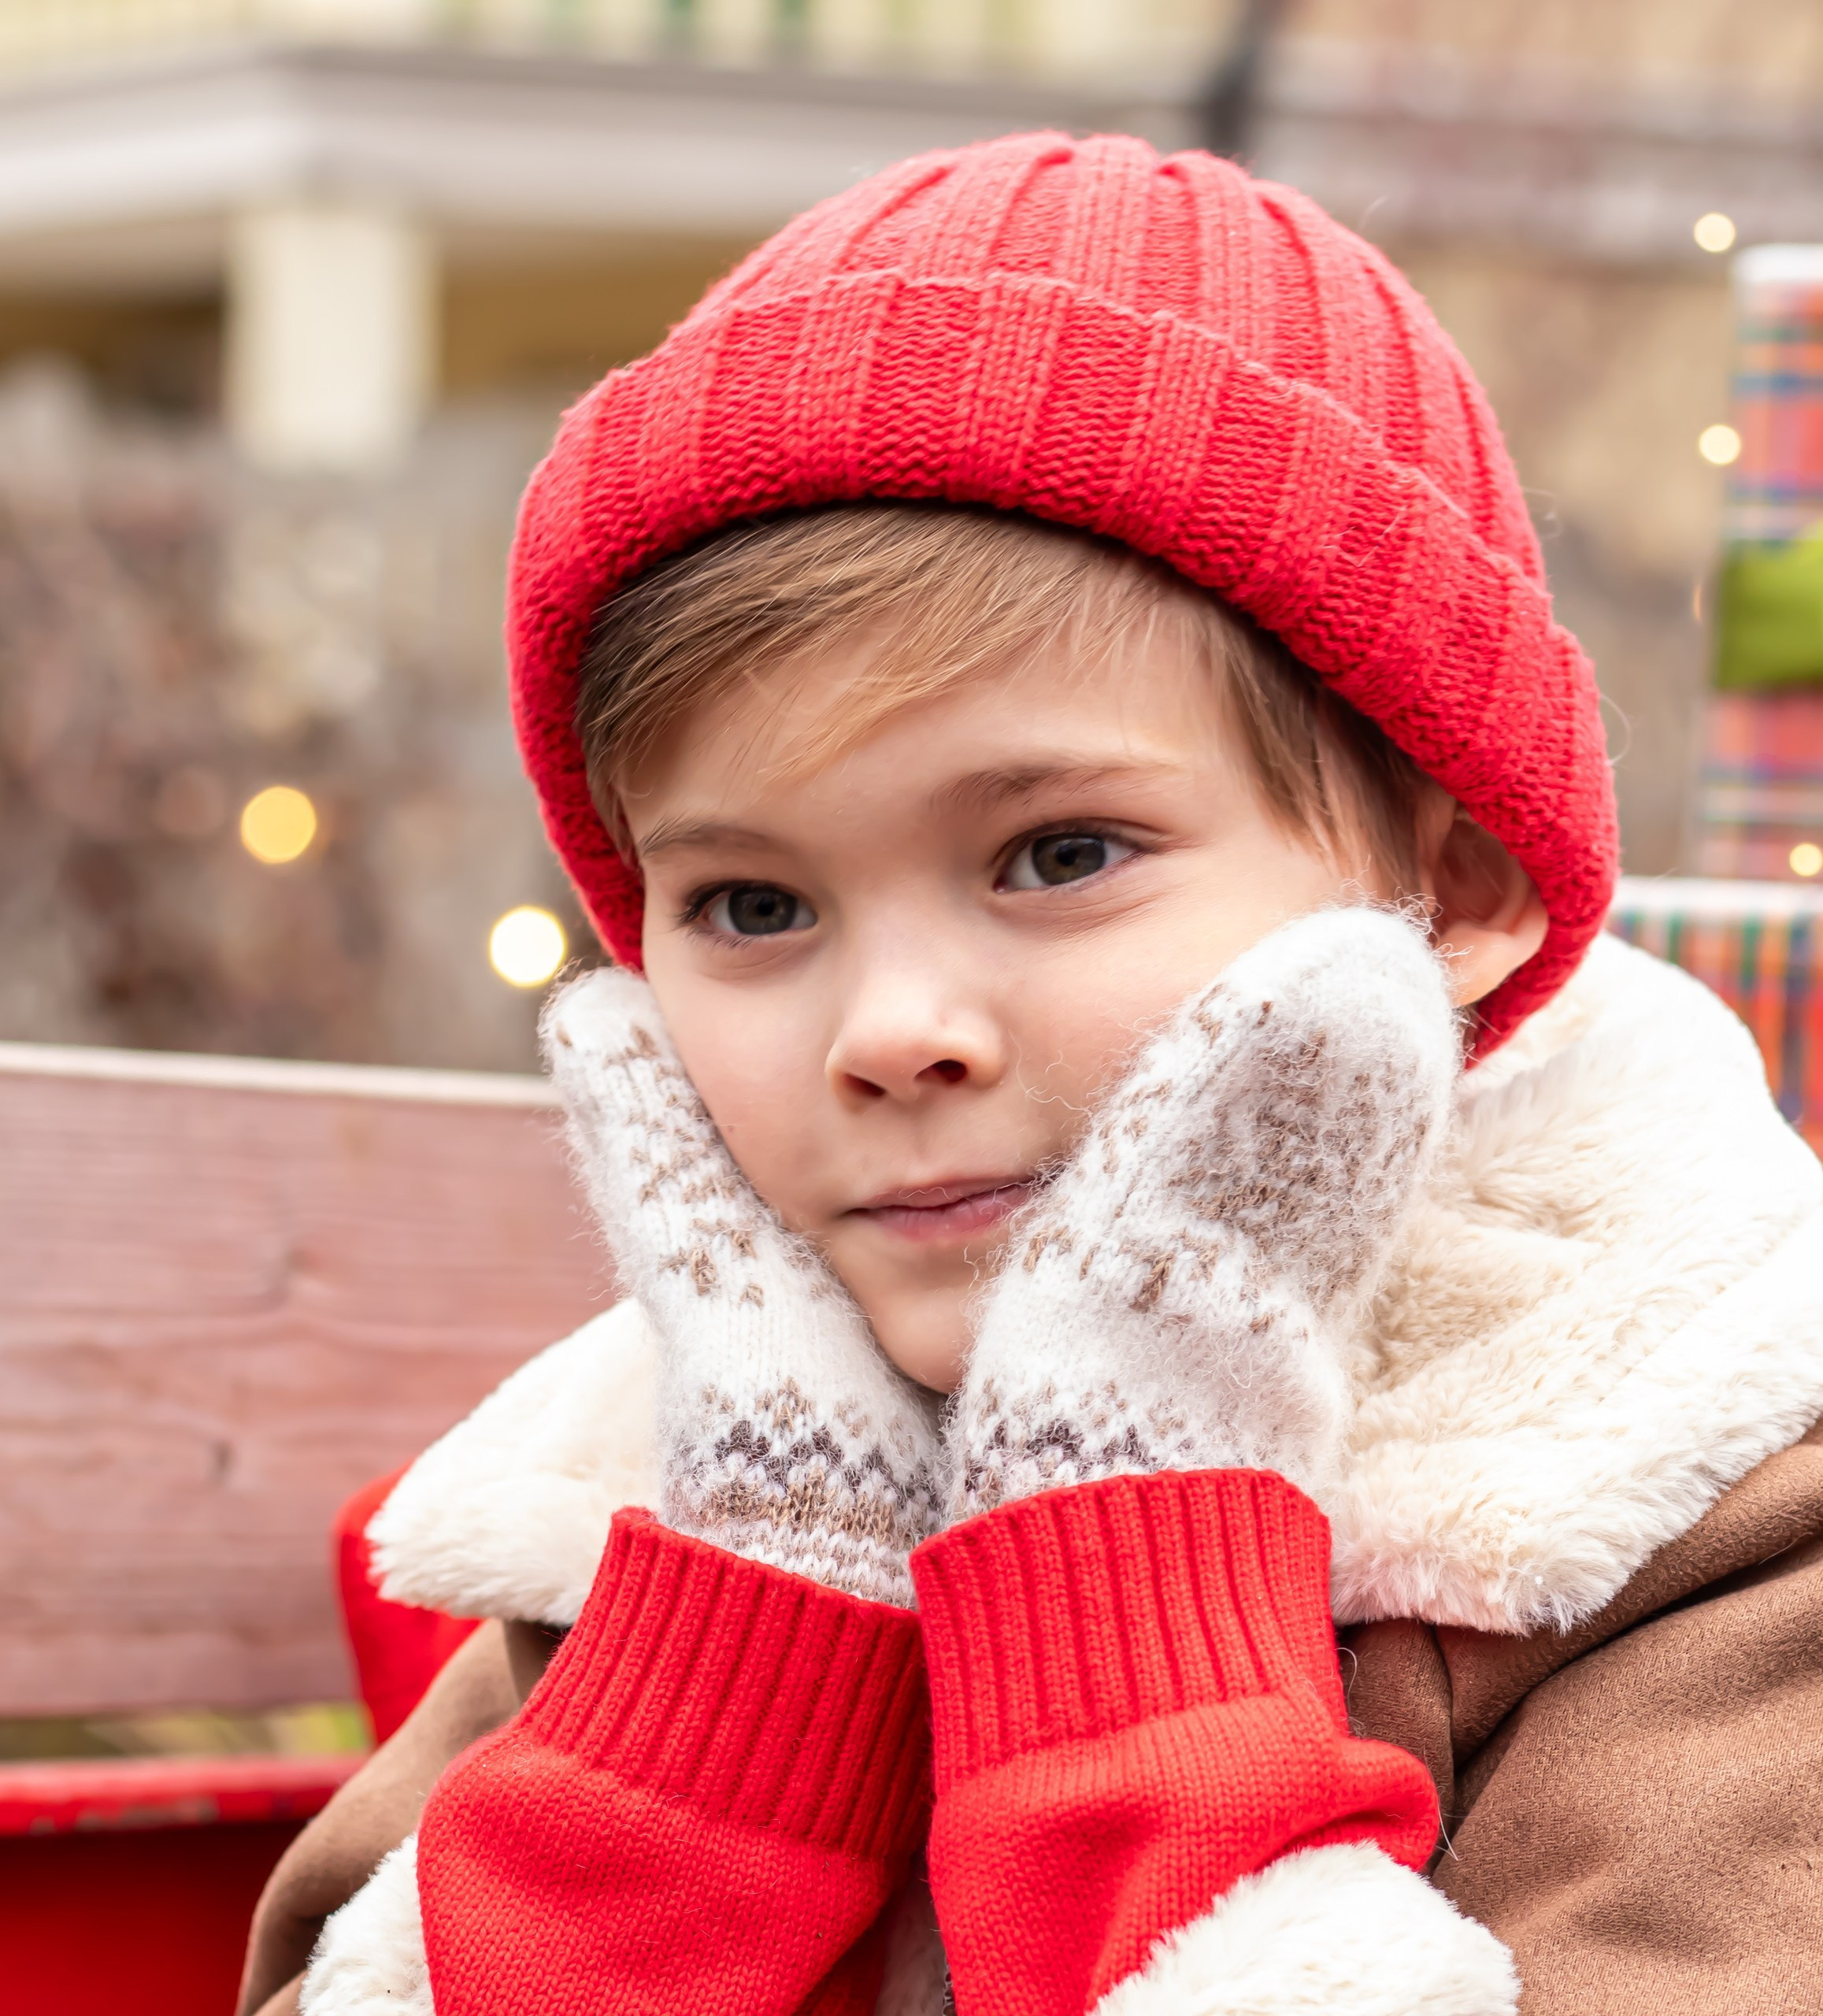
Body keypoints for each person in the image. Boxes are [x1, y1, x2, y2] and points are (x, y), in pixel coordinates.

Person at [240, 133, 1823, 2016]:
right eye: (754, 900)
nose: (892, 1028)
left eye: (1060, 852)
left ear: (1456, 880)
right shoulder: (694, 1499)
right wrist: (734, 1693)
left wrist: (1133, 1577)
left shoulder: (1696, 1523)